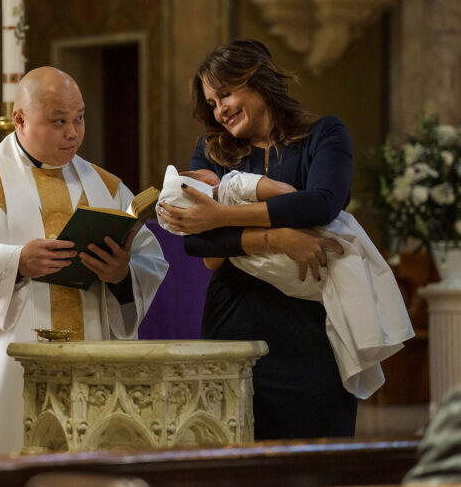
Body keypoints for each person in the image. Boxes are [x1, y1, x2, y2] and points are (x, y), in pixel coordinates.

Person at [0, 66, 168, 457]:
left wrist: (121, 274)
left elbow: (149, 262)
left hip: (88, 370)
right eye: (59, 121)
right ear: (19, 119)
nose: (73, 133)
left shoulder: (107, 187)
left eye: (79, 119)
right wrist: (14, 263)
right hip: (1, 372)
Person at [158, 38, 358, 440]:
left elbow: (321, 204)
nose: (220, 110)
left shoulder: (324, 135)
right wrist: (279, 238)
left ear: (258, 80)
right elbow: (197, 242)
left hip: (314, 331)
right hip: (236, 325)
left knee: (317, 461)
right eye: (212, 103)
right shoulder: (211, 152)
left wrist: (223, 217)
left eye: (226, 94)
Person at [162, 168, 413, 400]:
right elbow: (211, 261)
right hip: (276, 280)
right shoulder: (222, 195)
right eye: (192, 178)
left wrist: (224, 216)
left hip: (312, 253)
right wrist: (217, 222)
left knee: (341, 275)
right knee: (334, 297)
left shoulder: (235, 184)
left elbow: (289, 196)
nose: (200, 172)